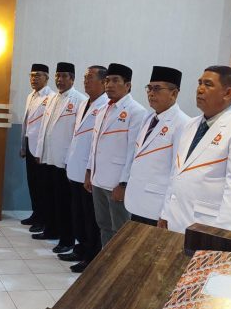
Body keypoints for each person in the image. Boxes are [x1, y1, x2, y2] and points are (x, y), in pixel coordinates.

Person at [160, 66, 231, 233]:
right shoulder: (190, 125)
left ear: (227, 93)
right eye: (199, 83)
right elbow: (176, 172)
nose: (200, 89)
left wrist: (222, 234)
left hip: (207, 225)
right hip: (175, 218)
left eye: (208, 84)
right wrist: (165, 213)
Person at [85, 63, 147, 247]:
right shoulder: (103, 108)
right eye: (107, 81)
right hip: (98, 178)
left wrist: (123, 184)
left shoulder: (136, 111)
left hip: (116, 182)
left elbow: (133, 151)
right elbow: (94, 143)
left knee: (120, 231)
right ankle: (105, 261)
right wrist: (89, 171)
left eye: (115, 81)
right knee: (103, 225)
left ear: (127, 85)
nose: (109, 85)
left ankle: (118, 264)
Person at [125, 66, 191, 226]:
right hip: (137, 198)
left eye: (157, 89)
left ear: (174, 94)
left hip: (157, 206)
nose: (151, 93)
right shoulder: (149, 118)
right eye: (149, 88)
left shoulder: (183, 123)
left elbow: (177, 173)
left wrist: (167, 212)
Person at [32, 63, 87, 253]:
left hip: (65, 160)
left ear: (72, 79)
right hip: (49, 156)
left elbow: (77, 133)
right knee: (50, 197)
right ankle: (51, 230)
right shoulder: (52, 98)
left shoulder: (80, 100)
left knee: (65, 202)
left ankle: (67, 240)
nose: (59, 80)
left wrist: (71, 158)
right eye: (57, 76)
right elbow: (44, 127)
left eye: (64, 76)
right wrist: (39, 151)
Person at [61, 66, 108, 272]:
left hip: (90, 172)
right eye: (85, 78)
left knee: (91, 218)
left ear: (103, 82)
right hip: (75, 167)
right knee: (78, 214)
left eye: (90, 78)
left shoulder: (105, 106)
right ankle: (80, 248)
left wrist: (90, 169)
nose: (86, 81)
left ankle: (91, 256)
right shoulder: (83, 104)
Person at [19, 63, 54, 231]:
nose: (34, 79)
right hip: (28, 143)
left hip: (41, 147)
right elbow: (26, 122)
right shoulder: (30, 96)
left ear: (46, 78)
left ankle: (43, 219)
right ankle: (35, 213)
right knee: (32, 182)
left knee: (42, 185)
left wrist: (41, 149)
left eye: (38, 75)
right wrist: (22, 145)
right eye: (32, 75)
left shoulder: (51, 97)